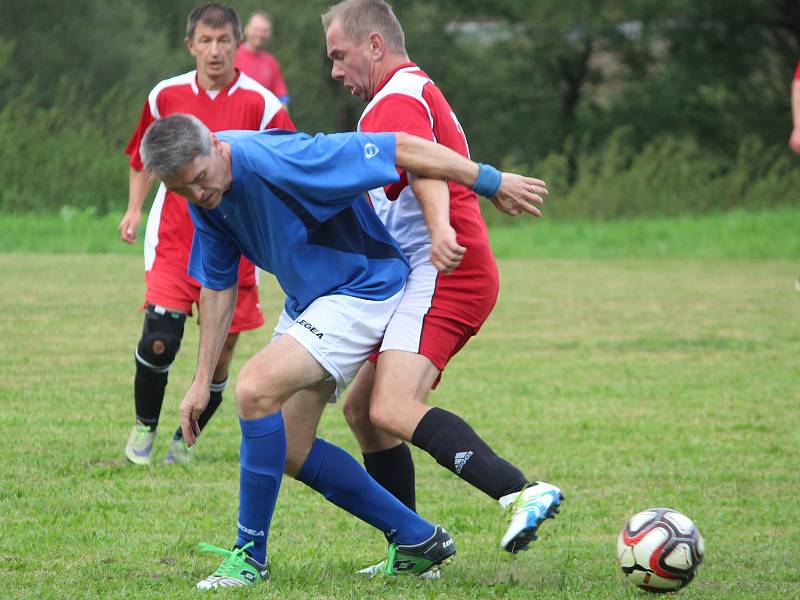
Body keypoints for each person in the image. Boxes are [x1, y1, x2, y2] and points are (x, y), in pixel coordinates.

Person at [138, 113, 543, 588]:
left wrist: (492, 181)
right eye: (183, 189)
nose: (199, 195)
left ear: (214, 144)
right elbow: (218, 286)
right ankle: (416, 538)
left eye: (200, 179)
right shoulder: (204, 198)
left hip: (362, 286)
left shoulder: (283, 158)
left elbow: (403, 149)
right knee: (289, 446)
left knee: (254, 389)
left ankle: (249, 558)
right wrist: (200, 381)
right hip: (313, 299)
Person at [322, 0, 562, 571]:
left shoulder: (396, 98)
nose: (334, 70)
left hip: (444, 270)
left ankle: (518, 491)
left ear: (374, 45)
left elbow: (424, 164)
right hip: (434, 267)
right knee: (363, 412)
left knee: (392, 405)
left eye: (339, 55)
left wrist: (438, 230)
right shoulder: (406, 90)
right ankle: (411, 544)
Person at [118, 3, 294, 466]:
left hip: (238, 243)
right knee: (160, 336)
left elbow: (287, 164)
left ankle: (183, 437)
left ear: (238, 45)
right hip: (175, 239)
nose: (214, 51)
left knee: (220, 356)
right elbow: (142, 155)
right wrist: (134, 210)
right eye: (205, 41)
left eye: (223, 42)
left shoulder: (262, 103)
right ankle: (145, 426)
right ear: (190, 45)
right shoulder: (164, 96)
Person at [235, 12, 290, 107]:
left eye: (265, 31)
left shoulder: (271, 62)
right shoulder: (231, 55)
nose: (260, 34)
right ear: (246, 29)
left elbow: (281, 97)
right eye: (256, 29)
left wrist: (284, 119)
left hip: (261, 119)